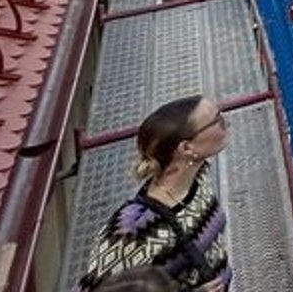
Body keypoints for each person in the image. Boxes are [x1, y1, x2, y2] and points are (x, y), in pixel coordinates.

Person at [74, 95, 232, 292]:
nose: (226, 121)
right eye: (217, 119)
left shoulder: (199, 176)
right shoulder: (131, 232)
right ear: (186, 148)